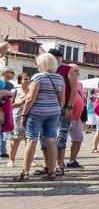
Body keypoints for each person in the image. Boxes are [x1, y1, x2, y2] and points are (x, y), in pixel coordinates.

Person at [13, 53, 64, 182]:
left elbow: (30, 98)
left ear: (42, 64)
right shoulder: (60, 78)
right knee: (51, 140)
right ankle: (52, 172)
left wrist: (24, 114)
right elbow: (62, 100)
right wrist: (55, 109)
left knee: (31, 140)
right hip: (54, 112)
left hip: (36, 112)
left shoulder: (38, 77)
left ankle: (25, 173)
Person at [46, 47, 79, 175]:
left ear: (58, 58)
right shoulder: (47, 69)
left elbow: (74, 89)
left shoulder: (67, 69)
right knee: (48, 136)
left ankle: (60, 164)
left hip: (64, 107)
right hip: (48, 106)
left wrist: (70, 107)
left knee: (61, 135)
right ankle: (48, 164)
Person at [64, 64, 86, 169]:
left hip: (78, 117)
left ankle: (72, 160)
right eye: (74, 70)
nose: (77, 73)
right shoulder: (64, 83)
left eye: (78, 70)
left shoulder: (80, 84)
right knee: (61, 139)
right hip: (66, 115)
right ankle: (58, 162)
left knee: (78, 139)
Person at [7, 72, 30, 168]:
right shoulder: (15, 91)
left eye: (29, 79)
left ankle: (29, 160)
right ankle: (11, 160)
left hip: (30, 117)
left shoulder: (33, 90)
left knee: (29, 139)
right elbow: (10, 105)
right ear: (20, 81)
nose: (28, 80)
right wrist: (21, 104)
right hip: (17, 118)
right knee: (16, 139)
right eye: (25, 79)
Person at [0, 66, 15, 159]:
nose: (13, 74)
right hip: (1, 107)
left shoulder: (11, 85)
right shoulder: (1, 82)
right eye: (11, 72)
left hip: (7, 109)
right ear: (5, 72)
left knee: (4, 131)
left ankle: (3, 151)